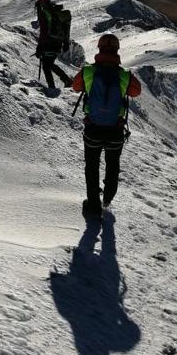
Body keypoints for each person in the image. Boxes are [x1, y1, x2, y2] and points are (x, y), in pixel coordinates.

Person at [72, 33, 141, 219]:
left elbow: (76, 87)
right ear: (117, 50)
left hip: (93, 127)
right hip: (116, 129)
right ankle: (107, 199)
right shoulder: (124, 75)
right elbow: (137, 91)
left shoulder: (89, 71)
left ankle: (93, 205)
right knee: (113, 165)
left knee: (91, 166)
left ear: (99, 49)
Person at [35, 0, 73, 90]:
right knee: (49, 64)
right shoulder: (54, 10)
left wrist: (39, 47)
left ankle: (52, 88)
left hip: (49, 42)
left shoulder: (44, 12)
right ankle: (66, 80)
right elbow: (66, 28)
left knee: (46, 66)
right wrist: (65, 42)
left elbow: (44, 31)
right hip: (57, 42)